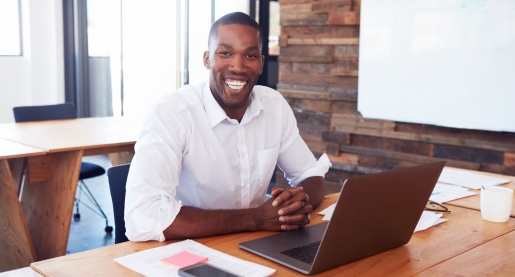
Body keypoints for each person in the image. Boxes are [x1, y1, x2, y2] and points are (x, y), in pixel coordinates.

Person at [125, 12, 330, 242]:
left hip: (252, 244)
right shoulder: (172, 113)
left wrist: (292, 206)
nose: (238, 66)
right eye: (225, 53)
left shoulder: (274, 106)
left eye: (250, 55)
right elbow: (142, 218)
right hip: (186, 249)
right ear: (207, 59)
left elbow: (310, 176)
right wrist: (255, 219)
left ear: (261, 63)